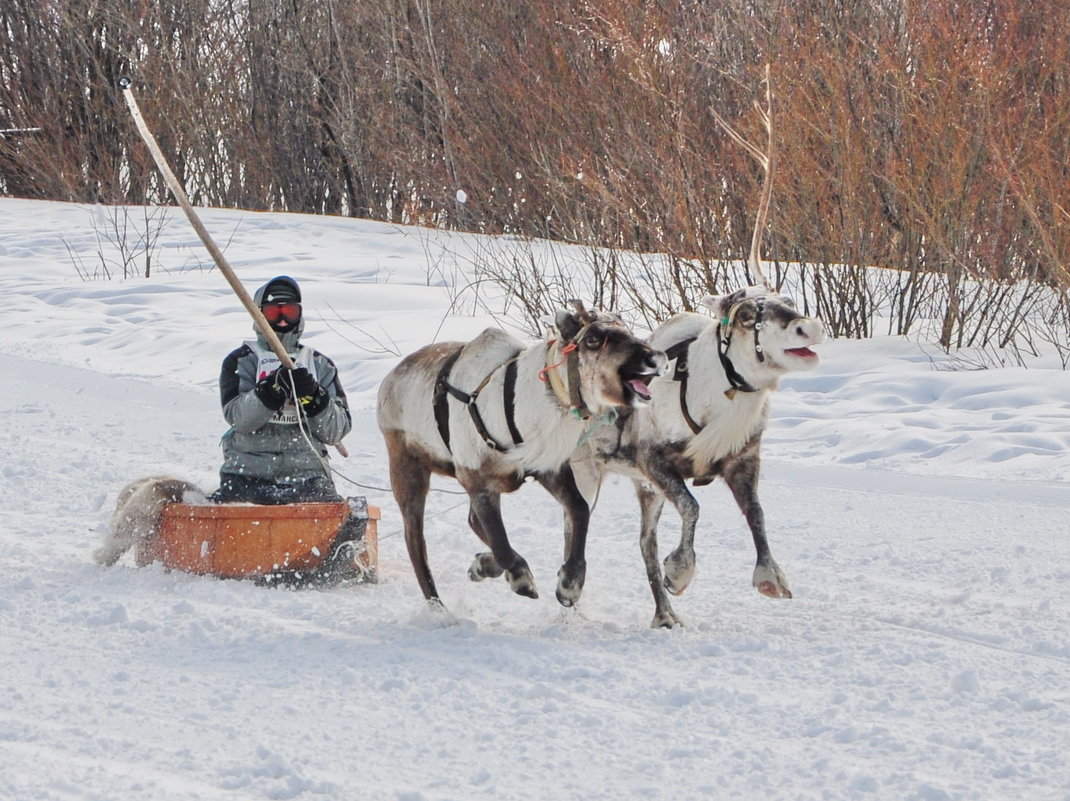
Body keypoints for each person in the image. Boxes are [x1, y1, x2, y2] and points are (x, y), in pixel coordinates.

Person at [212, 275, 352, 505]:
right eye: (274, 313)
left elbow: (336, 431)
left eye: (289, 312)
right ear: (258, 314)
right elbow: (239, 419)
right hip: (247, 473)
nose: (283, 320)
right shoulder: (241, 361)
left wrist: (315, 398)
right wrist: (269, 392)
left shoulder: (319, 365)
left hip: (308, 477)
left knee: (338, 515)